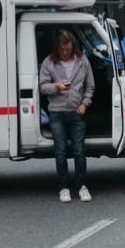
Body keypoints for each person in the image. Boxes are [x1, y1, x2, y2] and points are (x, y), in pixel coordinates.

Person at [39, 29, 96, 203]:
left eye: (68, 50)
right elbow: (42, 87)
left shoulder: (82, 61)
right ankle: (64, 188)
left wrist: (84, 104)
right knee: (61, 151)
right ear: (57, 48)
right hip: (56, 112)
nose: (65, 53)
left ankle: (82, 186)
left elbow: (90, 87)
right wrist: (56, 86)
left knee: (79, 150)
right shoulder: (48, 62)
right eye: (62, 50)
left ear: (73, 47)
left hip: (77, 111)